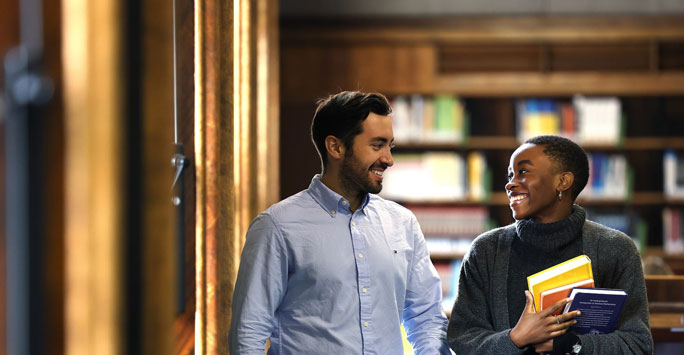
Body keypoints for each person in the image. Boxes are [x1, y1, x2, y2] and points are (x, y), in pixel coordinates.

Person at [228, 91, 451, 354]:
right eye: (377, 145)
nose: (389, 159)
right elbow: (248, 332)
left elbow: (426, 318)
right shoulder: (276, 227)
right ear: (335, 147)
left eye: (390, 146)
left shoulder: (402, 223)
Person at [447, 135, 653, 354]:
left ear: (562, 181)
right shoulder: (486, 251)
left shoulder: (615, 249)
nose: (510, 183)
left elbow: (637, 345)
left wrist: (566, 345)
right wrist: (516, 338)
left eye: (524, 172)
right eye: (510, 175)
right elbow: (463, 340)